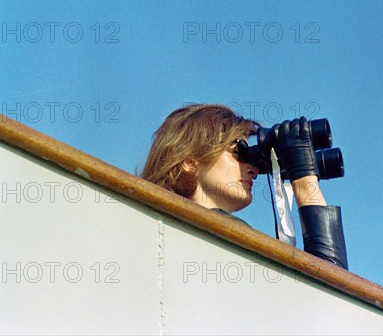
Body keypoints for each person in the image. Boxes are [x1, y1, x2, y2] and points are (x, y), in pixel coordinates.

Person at [141, 104, 348, 270]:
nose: (254, 170)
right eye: (239, 152)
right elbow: (331, 292)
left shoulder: (160, 233)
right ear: (189, 162)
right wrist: (304, 179)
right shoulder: (225, 236)